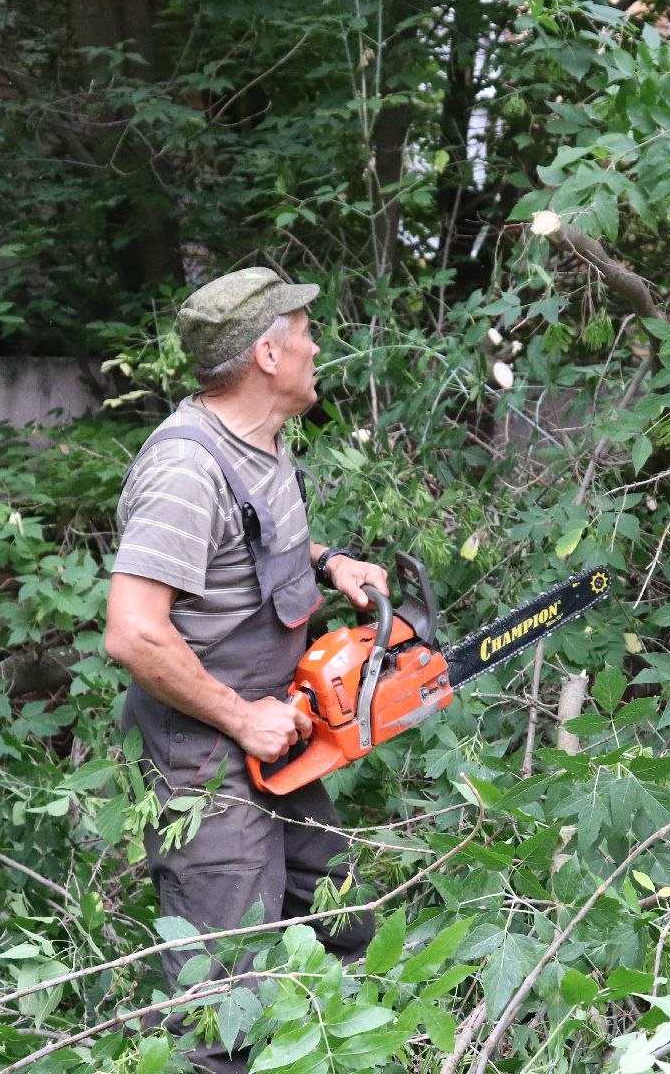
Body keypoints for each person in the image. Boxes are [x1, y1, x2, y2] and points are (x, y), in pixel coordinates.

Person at [102, 266, 384, 1072]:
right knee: (225, 1003)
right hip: (207, 758)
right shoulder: (187, 470)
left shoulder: (258, 444)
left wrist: (328, 561)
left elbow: (248, 546)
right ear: (268, 353)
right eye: (306, 333)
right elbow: (133, 633)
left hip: (278, 737)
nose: (317, 346)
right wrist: (239, 717)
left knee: (343, 922)